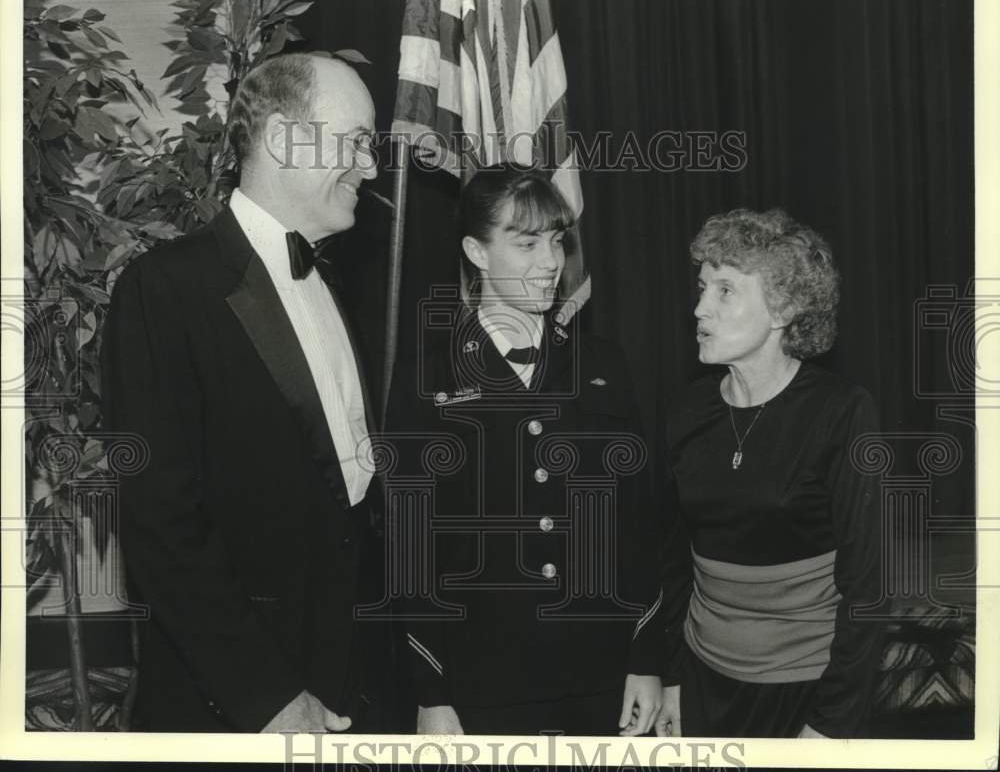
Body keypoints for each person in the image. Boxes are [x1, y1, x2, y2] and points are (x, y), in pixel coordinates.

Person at [101, 54, 383, 732]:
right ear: (285, 139)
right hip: (237, 709)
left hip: (354, 687)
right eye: (356, 141)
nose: (371, 167)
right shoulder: (162, 289)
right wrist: (272, 699)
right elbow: (160, 529)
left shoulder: (338, 289)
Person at [386, 164, 665, 736]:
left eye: (557, 241)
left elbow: (639, 523)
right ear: (477, 251)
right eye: (527, 242)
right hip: (483, 684)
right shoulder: (426, 377)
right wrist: (430, 690)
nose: (551, 262)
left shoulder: (602, 365)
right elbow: (407, 545)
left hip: (601, 677)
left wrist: (646, 659)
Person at [653, 208, 884, 739]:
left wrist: (829, 726)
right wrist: (672, 678)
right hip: (701, 679)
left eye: (725, 291)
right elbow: (670, 561)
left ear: (783, 308)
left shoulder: (842, 412)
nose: (699, 308)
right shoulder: (686, 410)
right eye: (702, 287)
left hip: (805, 695)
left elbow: (868, 588)